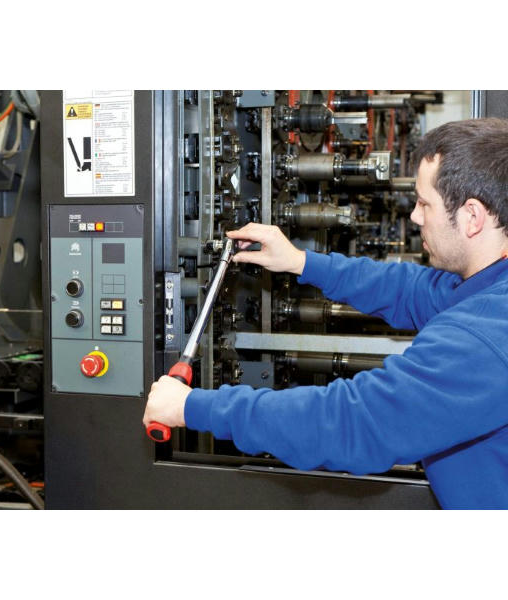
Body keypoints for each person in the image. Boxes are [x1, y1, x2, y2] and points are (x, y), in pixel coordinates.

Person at [143, 118, 508, 509]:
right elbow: (408, 289)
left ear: (472, 217)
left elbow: (352, 423)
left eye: (424, 204)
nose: (415, 217)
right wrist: (301, 262)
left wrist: (192, 407)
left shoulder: (486, 337)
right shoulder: (485, 286)